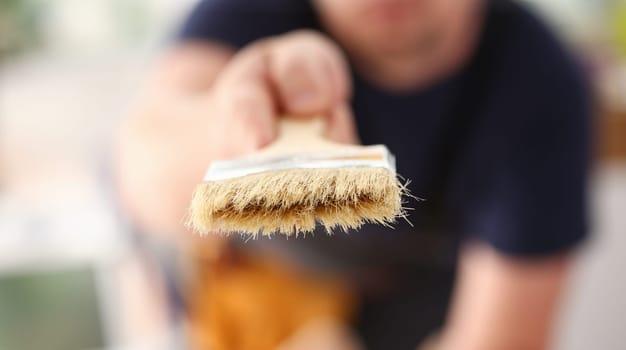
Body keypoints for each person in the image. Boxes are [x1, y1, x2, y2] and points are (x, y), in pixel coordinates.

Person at [115, 0, 592, 349]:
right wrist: (237, 119)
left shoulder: (539, 82)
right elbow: (144, 168)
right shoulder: (252, 13)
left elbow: (500, 339)